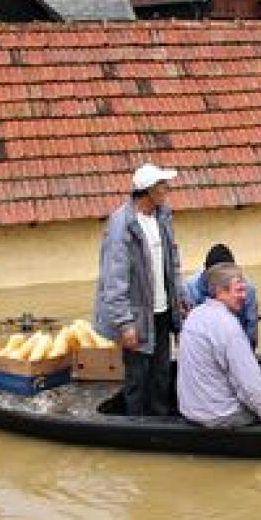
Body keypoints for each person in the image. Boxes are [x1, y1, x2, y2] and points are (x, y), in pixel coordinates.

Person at [94, 162, 185, 416]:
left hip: (163, 310)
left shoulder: (163, 217)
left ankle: (160, 419)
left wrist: (179, 299)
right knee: (137, 375)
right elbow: (114, 279)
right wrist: (125, 323)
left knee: (162, 371)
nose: (168, 189)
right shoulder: (121, 225)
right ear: (149, 191)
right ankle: (136, 422)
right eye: (163, 186)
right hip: (137, 315)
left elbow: (172, 262)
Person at [177, 263, 261, 427]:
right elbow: (250, 385)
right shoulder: (229, 326)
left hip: (191, 411)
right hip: (221, 416)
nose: (244, 296)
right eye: (239, 290)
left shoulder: (194, 316)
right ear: (220, 292)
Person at [182, 244, 258, 349]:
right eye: (215, 278)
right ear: (205, 269)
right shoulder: (190, 287)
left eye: (225, 278)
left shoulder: (246, 289)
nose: (220, 283)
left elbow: (250, 329)